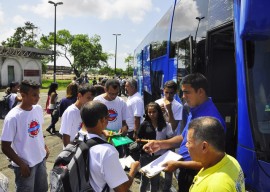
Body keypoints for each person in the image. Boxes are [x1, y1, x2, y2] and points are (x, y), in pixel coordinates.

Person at [143, 73, 226, 192]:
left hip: (197, 175)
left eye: (187, 92)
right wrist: (159, 144)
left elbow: (211, 162)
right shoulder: (195, 108)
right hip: (186, 171)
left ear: (200, 92)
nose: (183, 96)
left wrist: (178, 164)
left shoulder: (211, 120)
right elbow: (183, 138)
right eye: (182, 92)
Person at [1, 79, 49, 192]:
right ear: (23, 95)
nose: (38, 98)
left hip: (40, 160)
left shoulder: (37, 109)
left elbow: (39, 131)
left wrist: (45, 147)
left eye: (38, 94)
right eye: (34, 95)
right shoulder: (13, 117)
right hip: (26, 164)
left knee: (42, 189)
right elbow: (5, 147)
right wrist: (21, 164)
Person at [81, 101, 140, 192]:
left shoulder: (78, 139)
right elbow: (122, 189)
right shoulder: (107, 151)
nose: (108, 120)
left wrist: (101, 132)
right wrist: (133, 170)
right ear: (102, 120)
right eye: (107, 117)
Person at [187, 117, 245, 192]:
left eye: (189, 142)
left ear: (204, 147)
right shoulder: (231, 160)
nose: (186, 145)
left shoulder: (217, 187)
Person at [137, 102, 174, 192]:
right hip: (146, 156)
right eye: (149, 112)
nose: (152, 114)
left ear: (159, 112)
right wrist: (146, 145)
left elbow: (171, 139)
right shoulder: (144, 124)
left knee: (155, 181)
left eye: (154, 112)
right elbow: (138, 139)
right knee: (144, 180)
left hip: (159, 157)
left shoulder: (165, 125)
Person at [93, 79, 128, 157]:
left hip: (117, 140)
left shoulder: (121, 102)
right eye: (111, 93)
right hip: (102, 140)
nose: (114, 96)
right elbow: (94, 122)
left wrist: (124, 127)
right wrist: (103, 131)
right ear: (105, 89)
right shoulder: (97, 101)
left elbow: (124, 121)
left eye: (116, 93)